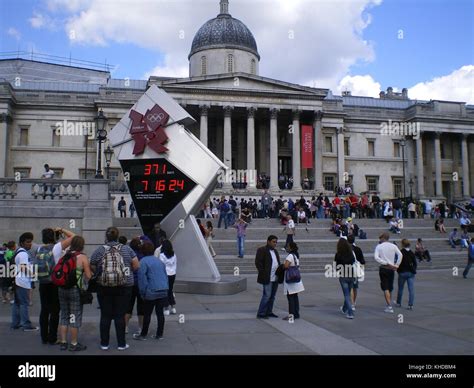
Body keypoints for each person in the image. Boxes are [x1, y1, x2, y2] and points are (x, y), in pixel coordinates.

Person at [90, 227, 139, 351]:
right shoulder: (127, 249)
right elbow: (136, 265)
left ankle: (104, 344)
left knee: (105, 315)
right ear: (118, 236)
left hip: (104, 287)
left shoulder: (100, 250)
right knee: (120, 315)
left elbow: (92, 265)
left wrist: (102, 273)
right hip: (124, 286)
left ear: (106, 237)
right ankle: (121, 344)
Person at [34, 227, 75, 345]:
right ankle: (52, 337)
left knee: (44, 310)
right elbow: (74, 237)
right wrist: (62, 229)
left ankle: (44, 337)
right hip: (54, 283)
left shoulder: (39, 248)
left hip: (43, 283)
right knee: (55, 311)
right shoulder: (56, 247)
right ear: (53, 237)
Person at [57, 236, 92, 351]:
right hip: (74, 290)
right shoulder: (82, 257)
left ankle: (63, 342)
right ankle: (73, 343)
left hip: (62, 289)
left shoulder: (64, 255)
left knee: (64, 315)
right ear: (82, 245)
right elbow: (88, 276)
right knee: (73, 316)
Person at [134, 241, 168, 341]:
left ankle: (143, 334)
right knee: (160, 313)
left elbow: (142, 280)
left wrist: (142, 293)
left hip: (151, 290)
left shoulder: (143, 262)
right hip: (163, 289)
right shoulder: (159, 261)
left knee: (147, 313)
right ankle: (159, 334)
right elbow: (165, 276)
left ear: (142, 251)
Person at [11, 232, 38, 331]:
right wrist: (33, 274)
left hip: (18, 281)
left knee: (17, 303)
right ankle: (26, 325)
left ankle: (15, 324)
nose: (30, 244)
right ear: (22, 243)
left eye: (31, 242)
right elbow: (23, 267)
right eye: (27, 242)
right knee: (24, 304)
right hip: (22, 282)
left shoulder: (19, 251)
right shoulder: (23, 253)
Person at [374, 233, 403, 313]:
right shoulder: (393, 246)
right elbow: (400, 255)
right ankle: (388, 303)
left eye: (380, 238)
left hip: (384, 268)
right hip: (391, 269)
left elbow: (376, 257)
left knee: (385, 287)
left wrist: (385, 262)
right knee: (390, 287)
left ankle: (389, 306)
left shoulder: (379, 246)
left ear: (383, 238)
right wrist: (396, 265)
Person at [255, 235, 280, 319]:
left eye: (276, 242)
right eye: (273, 242)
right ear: (268, 241)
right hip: (267, 277)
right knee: (267, 295)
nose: (275, 243)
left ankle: (269, 311)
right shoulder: (262, 250)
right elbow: (258, 263)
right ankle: (261, 313)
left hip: (275, 277)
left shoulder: (275, 251)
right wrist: (263, 272)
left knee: (272, 296)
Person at [334, 238, 356, 319]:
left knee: (346, 295)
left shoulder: (338, 254)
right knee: (348, 293)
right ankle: (344, 308)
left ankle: (350, 313)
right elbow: (353, 261)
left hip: (343, 275)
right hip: (351, 274)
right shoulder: (350, 253)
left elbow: (336, 266)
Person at [282, 242, 304, 320]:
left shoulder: (290, 256)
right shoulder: (295, 255)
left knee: (290, 298)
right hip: (295, 279)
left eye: (287, 247)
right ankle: (296, 314)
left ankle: (291, 315)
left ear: (290, 248)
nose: (286, 248)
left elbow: (286, 266)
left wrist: (282, 265)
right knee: (295, 297)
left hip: (290, 279)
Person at [395, 239, 417, 310]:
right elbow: (415, 263)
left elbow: (398, 262)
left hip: (402, 273)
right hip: (410, 273)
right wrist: (413, 270)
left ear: (402, 244)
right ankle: (410, 305)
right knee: (411, 289)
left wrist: (398, 270)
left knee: (400, 288)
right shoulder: (412, 253)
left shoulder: (401, 252)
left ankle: (398, 303)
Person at [159, 240, 177, 316]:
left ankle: (166, 308)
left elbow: (161, 266)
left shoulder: (162, 255)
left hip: (165, 274)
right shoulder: (174, 255)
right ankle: (173, 307)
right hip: (173, 274)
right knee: (170, 290)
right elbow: (175, 264)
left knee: (165, 291)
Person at [348, 235, 365, 310]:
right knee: (355, 287)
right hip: (356, 270)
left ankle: (351, 304)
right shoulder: (358, 249)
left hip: (347, 270)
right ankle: (354, 302)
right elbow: (362, 261)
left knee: (350, 287)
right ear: (354, 240)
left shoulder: (346, 249)